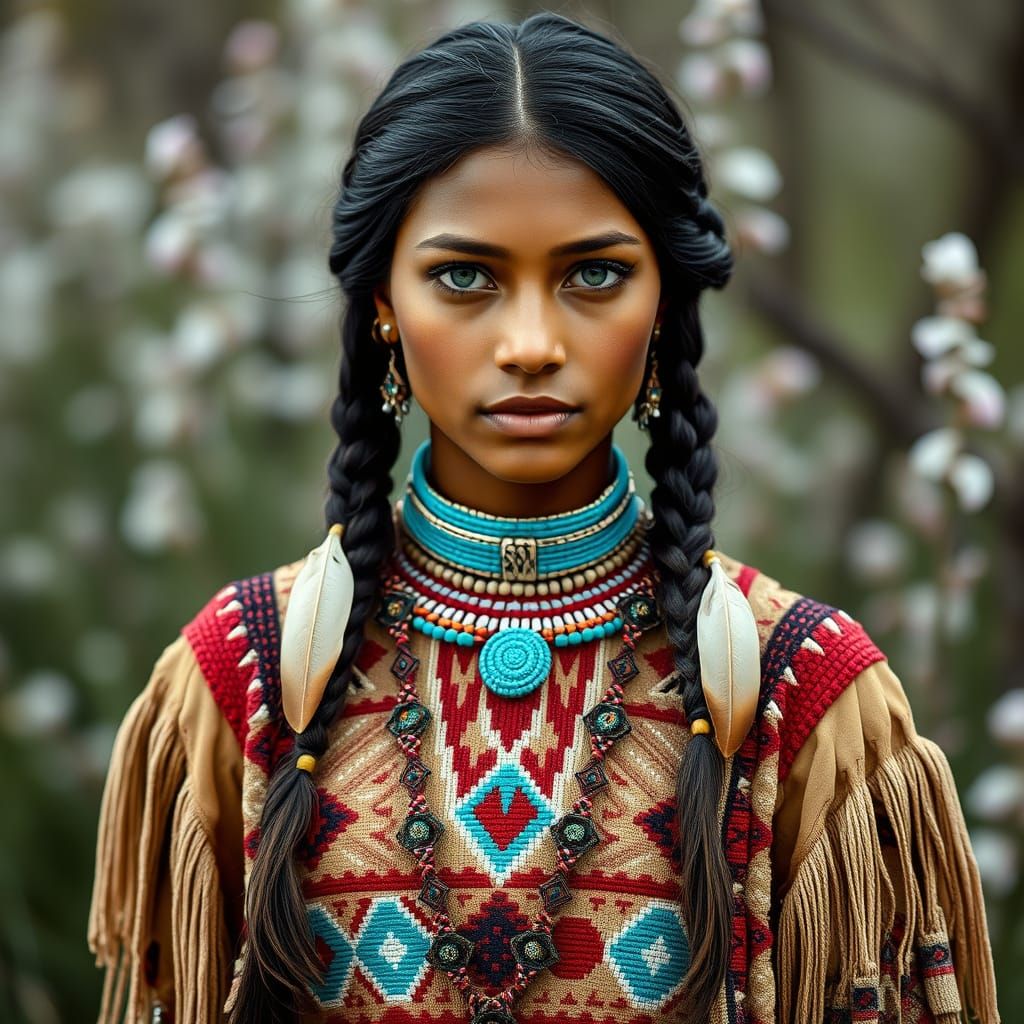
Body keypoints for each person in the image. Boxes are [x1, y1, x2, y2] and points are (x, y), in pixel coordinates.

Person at [87, 12, 1000, 1024]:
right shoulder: (242, 683)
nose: (529, 343)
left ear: (664, 302)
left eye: (594, 275)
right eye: (464, 277)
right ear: (383, 302)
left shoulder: (809, 700)